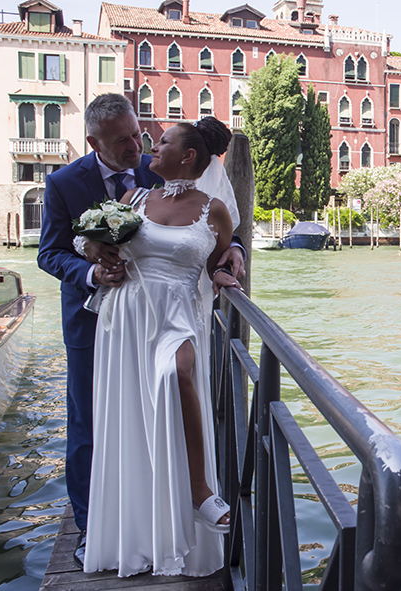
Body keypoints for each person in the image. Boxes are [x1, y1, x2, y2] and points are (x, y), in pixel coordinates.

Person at [36, 93, 244, 567]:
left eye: (139, 134)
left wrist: (233, 259)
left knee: (174, 382)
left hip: (169, 312)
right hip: (102, 320)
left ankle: (186, 502)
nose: (138, 145)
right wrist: (92, 265)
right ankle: (96, 528)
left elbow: (211, 236)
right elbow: (51, 252)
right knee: (93, 424)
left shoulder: (160, 172)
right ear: (95, 141)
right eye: (125, 140)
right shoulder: (64, 183)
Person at [85, 117, 238, 577]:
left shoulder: (214, 210)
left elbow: (216, 260)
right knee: (133, 416)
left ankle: (198, 491)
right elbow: (92, 245)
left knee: (178, 372)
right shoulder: (134, 199)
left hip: (177, 313)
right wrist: (100, 253)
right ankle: (139, 529)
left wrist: (226, 270)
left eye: (164, 141)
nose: (153, 144)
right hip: (128, 315)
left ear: (187, 156)